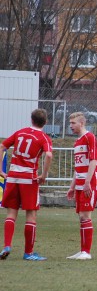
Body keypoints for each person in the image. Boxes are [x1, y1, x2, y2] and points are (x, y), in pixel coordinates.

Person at [0, 109, 53, 261]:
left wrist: (1, 171)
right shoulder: (44, 137)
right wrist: (43, 175)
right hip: (28, 178)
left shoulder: (20, 132)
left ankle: (7, 246)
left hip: (13, 176)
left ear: (31, 119)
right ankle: (28, 253)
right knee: (31, 214)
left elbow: (2, 146)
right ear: (46, 122)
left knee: (11, 213)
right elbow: (48, 155)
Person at [66, 112, 97, 260]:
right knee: (81, 217)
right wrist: (72, 186)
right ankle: (82, 251)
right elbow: (78, 166)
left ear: (82, 123)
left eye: (73, 123)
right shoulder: (77, 142)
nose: (71, 126)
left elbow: (93, 161)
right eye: (70, 123)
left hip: (89, 183)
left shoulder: (89, 137)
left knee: (85, 216)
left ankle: (87, 252)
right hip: (80, 183)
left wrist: (87, 182)